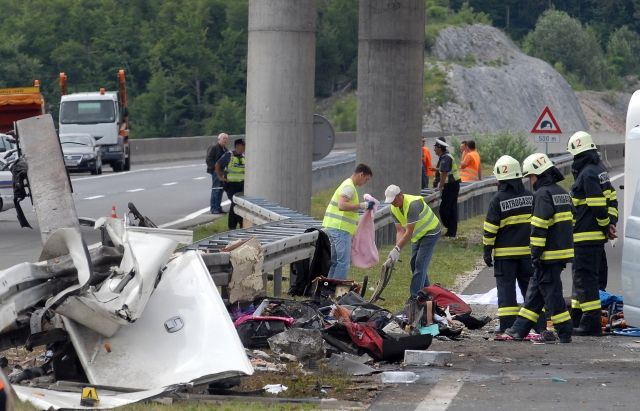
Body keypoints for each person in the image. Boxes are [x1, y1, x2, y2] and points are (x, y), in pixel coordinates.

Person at [502, 153, 574, 343]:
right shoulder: (561, 191)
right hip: (560, 252)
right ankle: (519, 329)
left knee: (552, 295)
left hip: (547, 255)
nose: (530, 181)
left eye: (531, 176)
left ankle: (565, 331)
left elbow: (539, 226)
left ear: (538, 175)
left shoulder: (542, 194)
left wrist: (535, 254)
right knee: (534, 293)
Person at [567, 131, 618, 336]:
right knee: (584, 280)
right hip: (595, 238)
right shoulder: (599, 170)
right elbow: (612, 198)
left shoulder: (587, 174)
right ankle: (578, 317)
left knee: (585, 280)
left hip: (585, 236)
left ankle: (591, 324)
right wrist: (611, 223)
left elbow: (597, 204)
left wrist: (606, 224)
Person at [482, 155, 534, 333]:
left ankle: (507, 326)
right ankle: (536, 324)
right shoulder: (531, 197)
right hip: (528, 254)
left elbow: (490, 229)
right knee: (530, 290)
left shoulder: (498, 199)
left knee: (506, 291)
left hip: (505, 256)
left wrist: (487, 251)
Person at [385, 184, 441, 299]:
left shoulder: (413, 204)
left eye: (394, 200)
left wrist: (397, 249)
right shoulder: (393, 208)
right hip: (418, 235)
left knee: (420, 264)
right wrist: (397, 250)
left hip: (430, 231)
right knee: (414, 264)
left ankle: (414, 297)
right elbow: (400, 230)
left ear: (400, 195)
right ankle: (428, 292)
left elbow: (409, 232)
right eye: (390, 201)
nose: (392, 203)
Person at [322, 164, 374, 280]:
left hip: (334, 227)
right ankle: (338, 291)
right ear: (361, 174)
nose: (365, 182)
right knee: (343, 263)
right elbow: (342, 205)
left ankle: (327, 290)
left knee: (336, 262)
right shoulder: (349, 187)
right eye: (366, 179)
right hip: (340, 229)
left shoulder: (347, 184)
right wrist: (362, 205)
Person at [432, 138, 460, 237]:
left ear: (440, 148)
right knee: (451, 208)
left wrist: (440, 187)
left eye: (435, 147)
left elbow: (444, 173)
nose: (434, 149)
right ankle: (451, 231)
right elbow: (442, 170)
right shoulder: (444, 157)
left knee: (445, 209)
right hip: (452, 185)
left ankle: (451, 229)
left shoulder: (445, 158)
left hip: (451, 186)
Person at [215, 138, 245, 230]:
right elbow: (217, 165)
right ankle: (232, 226)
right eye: (243, 146)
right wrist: (221, 177)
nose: (245, 148)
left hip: (241, 185)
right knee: (235, 203)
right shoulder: (229, 155)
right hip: (231, 185)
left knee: (241, 204)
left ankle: (241, 224)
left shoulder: (244, 157)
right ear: (238, 146)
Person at [206, 133, 229, 214]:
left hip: (223, 172)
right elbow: (209, 159)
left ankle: (218, 207)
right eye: (223, 138)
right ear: (219, 139)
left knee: (220, 190)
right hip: (216, 171)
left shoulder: (225, 150)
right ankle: (214, 208)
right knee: (216, 189)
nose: (225, 140)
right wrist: (215, 169)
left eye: (226, 139)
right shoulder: (214, 148)